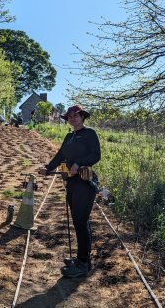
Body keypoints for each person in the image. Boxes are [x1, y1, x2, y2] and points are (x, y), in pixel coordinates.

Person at [39, 104, 101, 278]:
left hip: (84, 182)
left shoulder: (90, 133)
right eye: (70, 116)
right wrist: (48, 168)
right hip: (71, 182)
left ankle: (82, 264)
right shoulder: (69, 136)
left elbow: (96, 155)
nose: (73, 118)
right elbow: (60, 155)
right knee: (78, 222)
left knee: (81, 222)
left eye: (76, 115)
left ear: (82, 117)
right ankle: (83, 259)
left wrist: (79, 163)